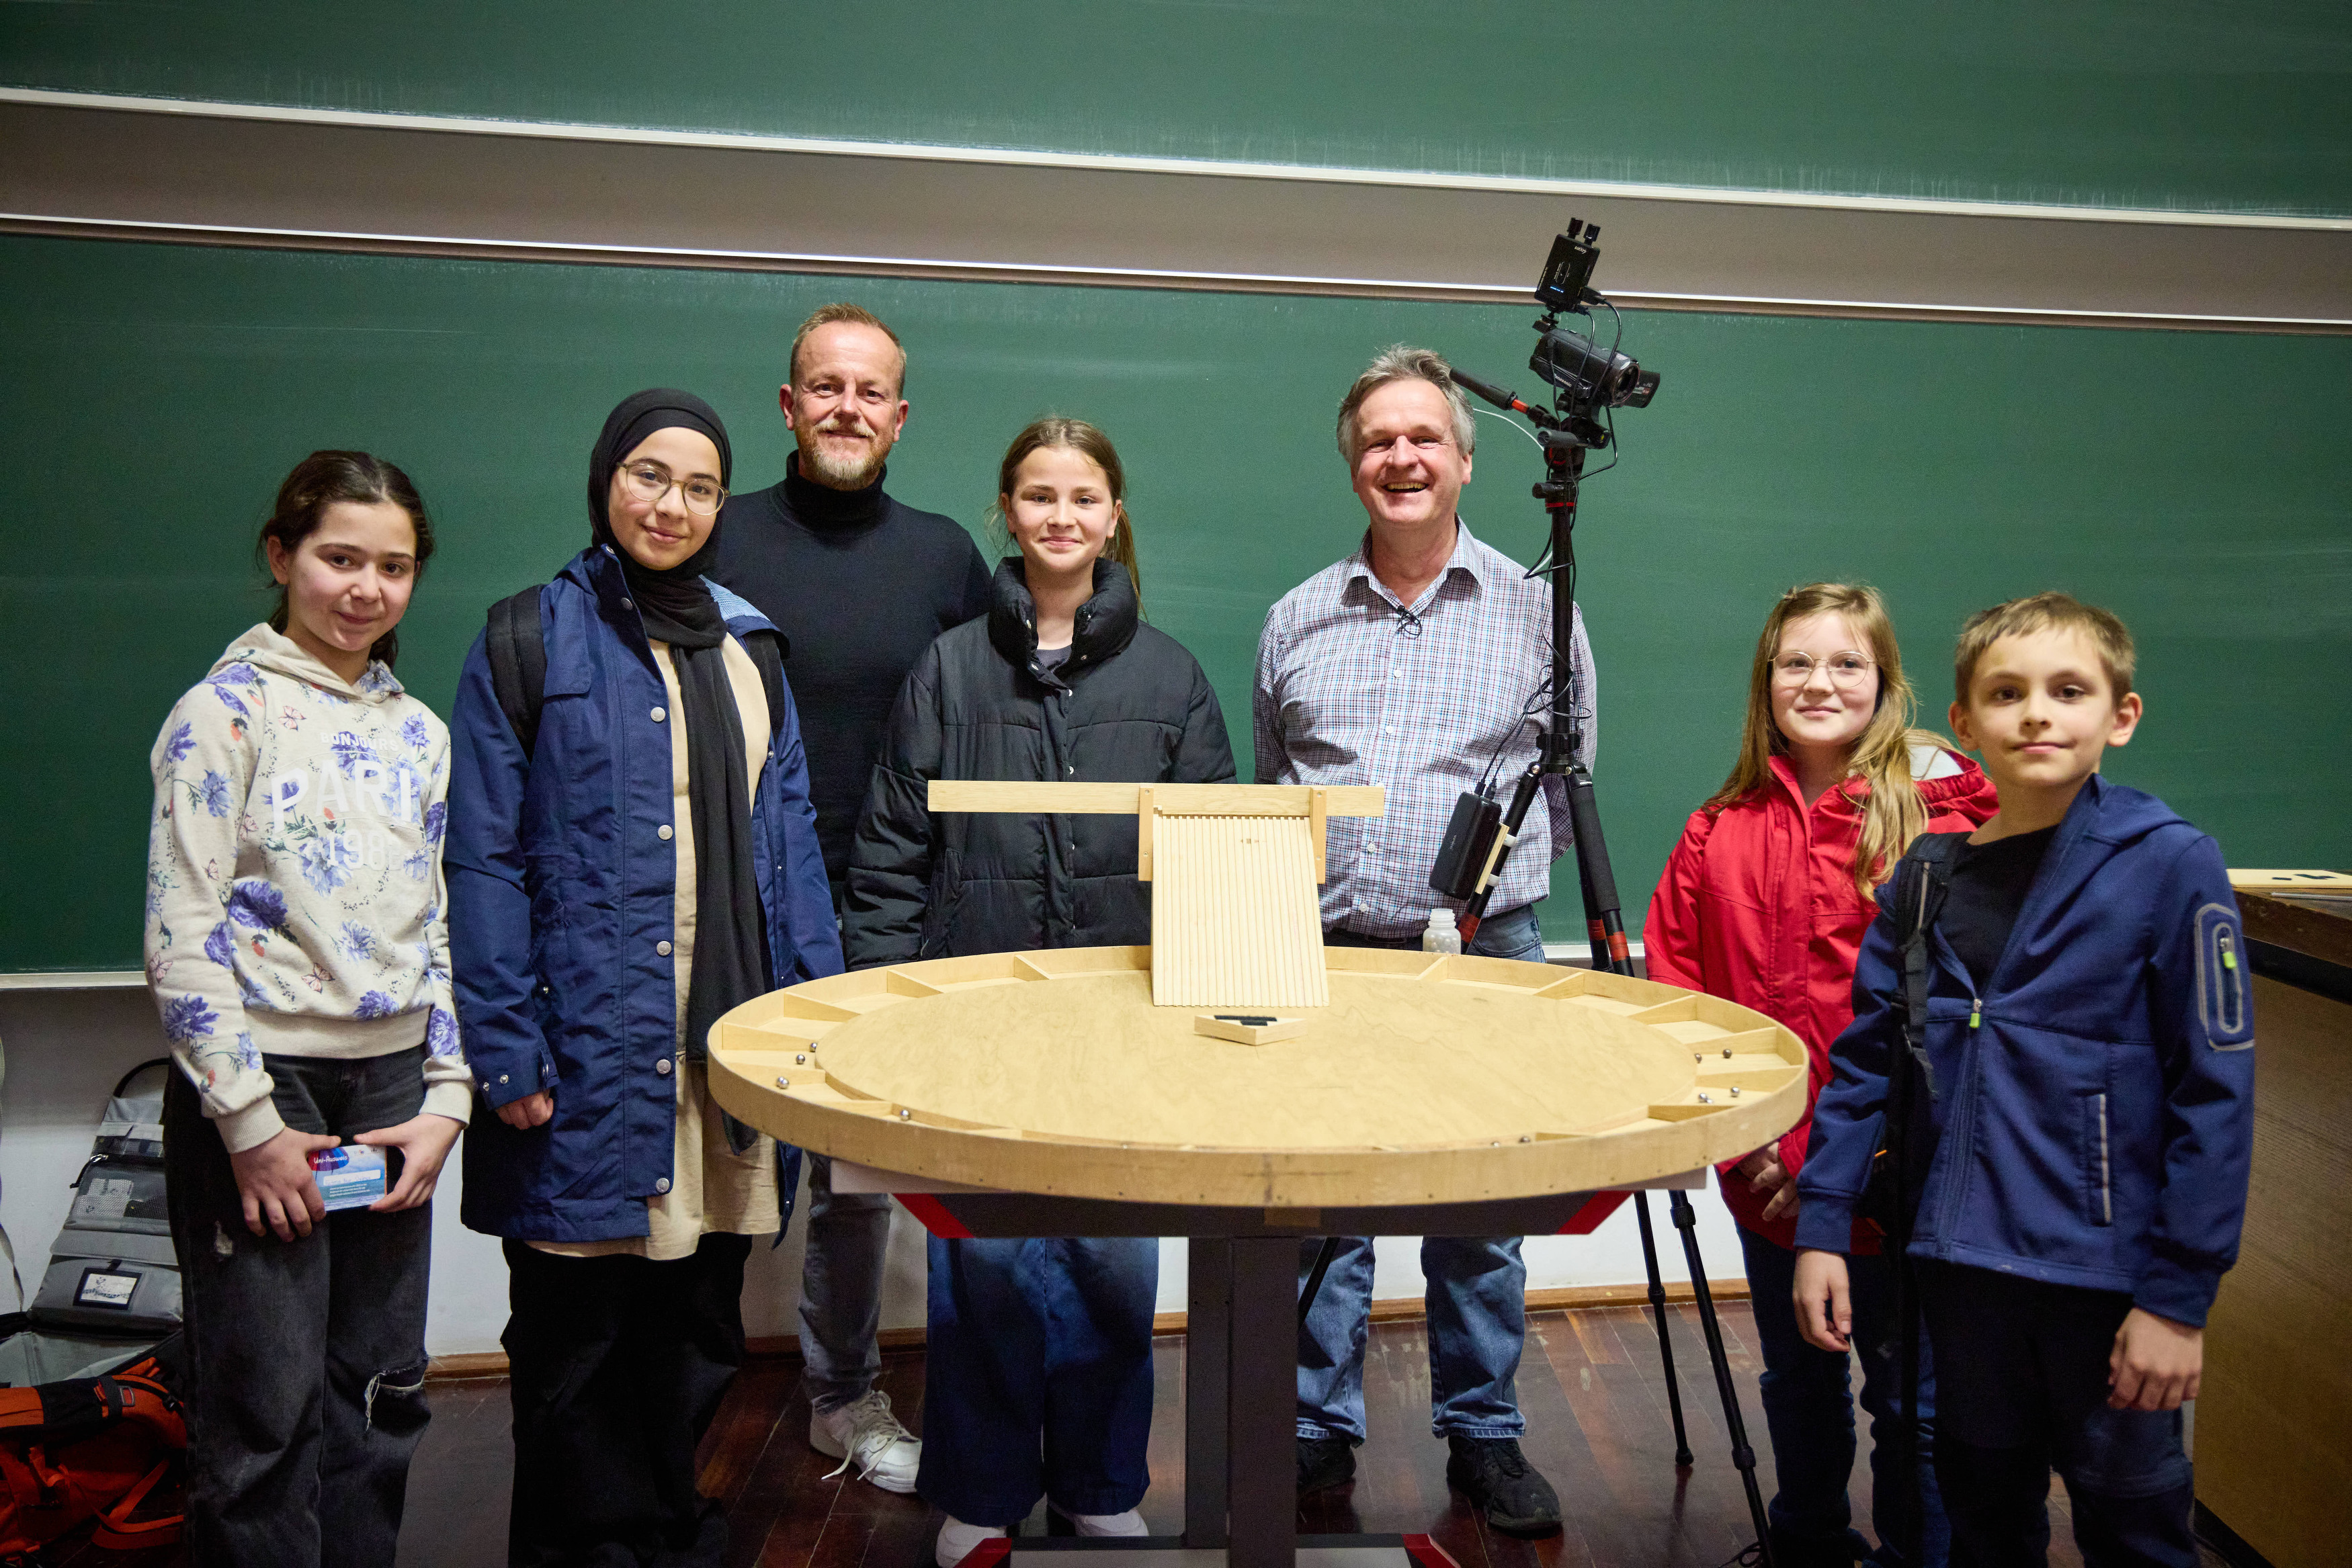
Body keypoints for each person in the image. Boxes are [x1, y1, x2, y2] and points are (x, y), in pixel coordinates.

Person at [447, 389, 843, 1566]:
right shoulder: (528, 637)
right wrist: (507, 1047)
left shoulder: (749, 646)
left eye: (701, 485)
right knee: (578, 1349)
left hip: (720, 1059)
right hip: (586, 1062)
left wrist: (815, 1030)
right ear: (606, 478)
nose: (673, 503)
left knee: (694, 1331)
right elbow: (482, 857)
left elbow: (792, 849)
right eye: (649, 475)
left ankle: (671, 1533)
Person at [1794, 593, 2255, 1568]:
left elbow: (2214, 1096)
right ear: (1965, 725)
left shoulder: (2171, 864)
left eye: (2069, 690)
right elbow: (1864, 1065)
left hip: (2106, 1281)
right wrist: (1823, 1225)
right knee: (1984, 1516)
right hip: (1963, 1275)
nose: (2038, 713)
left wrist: (2177, 1300)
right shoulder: (1925, 878)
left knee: (2132, 1523)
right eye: (2007, 693)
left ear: (2119, 716)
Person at [844, 417, 1234, 1567]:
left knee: (1113, 1263)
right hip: (981, 1024)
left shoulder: (1171, 676)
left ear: (1114, 516)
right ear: (1005, 515)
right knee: (988, 1264)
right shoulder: (950, 668)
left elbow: (1216, 861)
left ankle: (1104, 1484)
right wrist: (886, 1009)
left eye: (1084, 496)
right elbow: (889, 851)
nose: (1062, 515)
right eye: (1038, 495)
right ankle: (985, 1485)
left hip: (1129, 1024)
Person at [1254, 345, 1592, 1536]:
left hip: (1486, 955)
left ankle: (1485, 1434)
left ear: (1461, 459)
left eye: (1423, 438)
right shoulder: (1296, 618)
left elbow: (1570, 777)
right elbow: (1272, 795)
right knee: (1322, 1210)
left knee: (1478, 1205)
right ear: (1355, 466)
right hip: (1331, 950)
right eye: (1377, 441)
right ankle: (1312, 1427)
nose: (1401, 457)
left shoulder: (1540, 612)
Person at [144, 449, 469, 1565]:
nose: (366, 588)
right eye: (340, 558)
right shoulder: (220, 714)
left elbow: (441, 925)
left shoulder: (420, 732)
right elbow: (179, 938)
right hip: (266, 1087)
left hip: (391, 1091)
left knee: (380, 1393)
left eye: (395, 565)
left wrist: (447, 1099)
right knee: (263, 1408)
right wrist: (249, 1124)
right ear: (283, 557)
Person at [1644, 583, 1997, 1568]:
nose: (1819, 681)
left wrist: (1864, 1155)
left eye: (1847, 662)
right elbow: (1681, 1001)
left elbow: (1966, 1016)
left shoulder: (1944, 815)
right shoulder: (1718, 826)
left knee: (1907, 1395)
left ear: (1884, 680)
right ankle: (1807, 1538)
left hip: (1901, 1172)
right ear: (1767, 681)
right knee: (1797, 1376)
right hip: (1766, 1177)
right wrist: (1747, 1141)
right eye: (1796, 662)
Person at [713, 302, 990, 1491]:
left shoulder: (942, 558)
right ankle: (687, 1389)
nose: (846, 407)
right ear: (788, 406)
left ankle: (843, 1393)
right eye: (825, 386)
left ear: (901, 416)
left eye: (870, 391)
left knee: (853, 1178)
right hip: (733, 904)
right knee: (715, 1158)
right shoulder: (711, 536)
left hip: (891, 911)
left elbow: (991, 722)